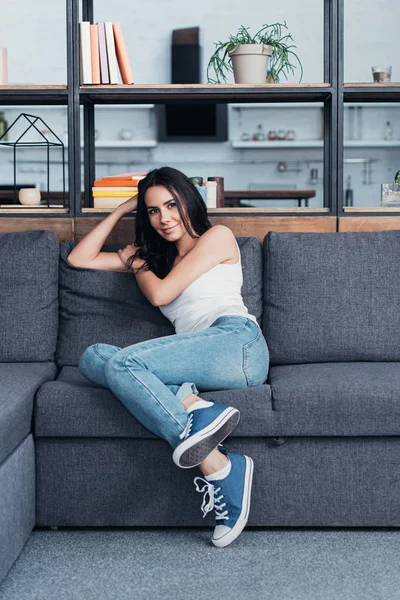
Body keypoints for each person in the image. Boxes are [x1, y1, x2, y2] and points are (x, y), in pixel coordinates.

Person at [67, 166, 269, 548]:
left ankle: (208, 437)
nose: (164, 218)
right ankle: (215, 454)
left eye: (171, 205)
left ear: (188, 201)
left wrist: (138, 264)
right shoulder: (154, 258)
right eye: (153, 211)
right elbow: (79, 258)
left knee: (124, 364)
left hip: (237, 343)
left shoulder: (217, 237)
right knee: (94, 357)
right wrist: (119, 212)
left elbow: (161, 295)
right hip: (199, 356)